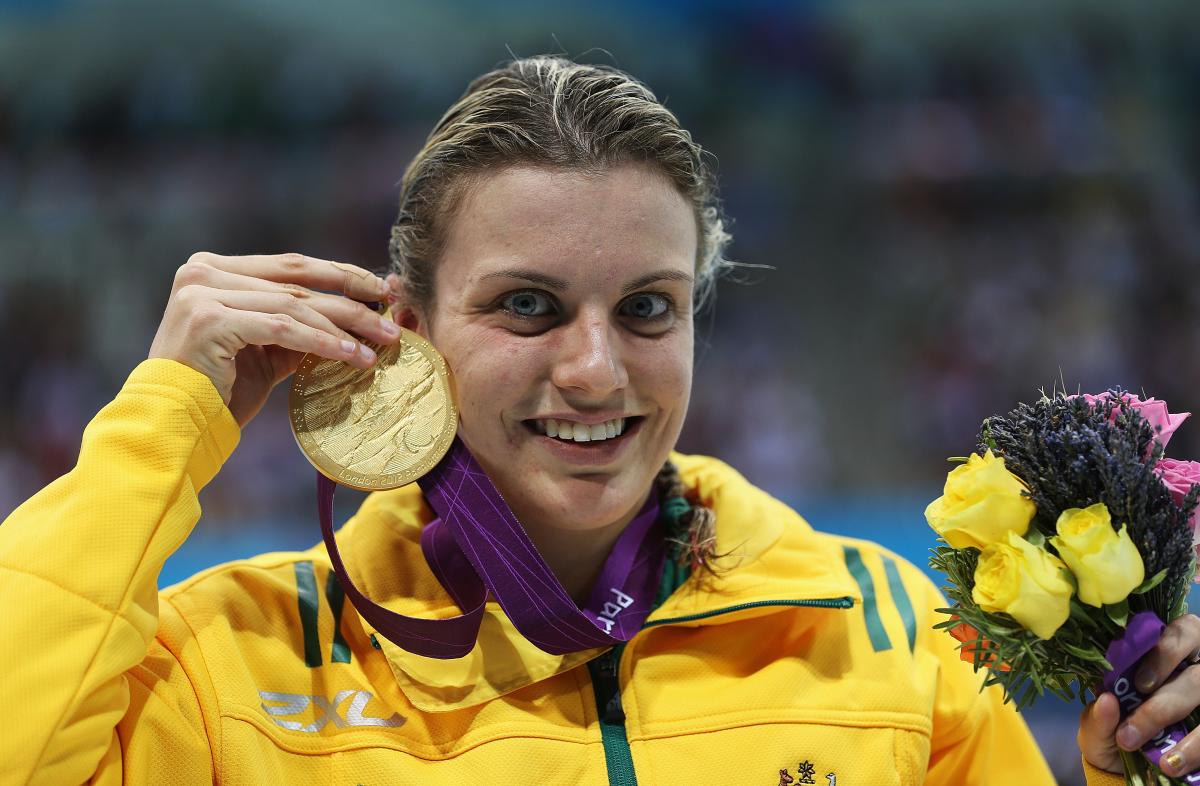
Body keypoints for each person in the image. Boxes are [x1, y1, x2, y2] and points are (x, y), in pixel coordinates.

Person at [0, 55, 1194, 786]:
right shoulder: (235, 661)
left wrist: (1133, 777)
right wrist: (167, 419)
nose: (593, 367)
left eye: (647, 309)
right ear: (406, 329)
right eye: (528, 305)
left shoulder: (880, 627)